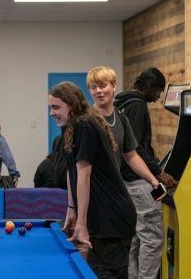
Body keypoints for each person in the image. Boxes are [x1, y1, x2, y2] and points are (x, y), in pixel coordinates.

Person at [49, 81, 137, 279]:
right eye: (51, 108)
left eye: (56, 107)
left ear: (71, 105)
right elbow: (72, 171)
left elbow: (84, 175)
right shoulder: (70, 125)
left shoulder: (84, 124)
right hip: (101, 218)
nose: (52, 113)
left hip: (112, 219)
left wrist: (82, 223)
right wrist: (72, 209)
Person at [114, 67, 178, 279]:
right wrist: (159, 172)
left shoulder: (121, 102)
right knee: (152, 238)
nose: (158, 97)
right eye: (158, 91)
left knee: (134, 238)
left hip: (123, 181)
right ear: (148, 86)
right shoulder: (138, 105)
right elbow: (136, 148)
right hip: (139, 181)